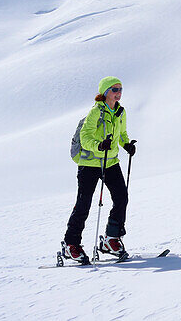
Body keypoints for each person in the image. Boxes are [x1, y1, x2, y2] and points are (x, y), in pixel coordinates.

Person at [61, 76, 137, 264]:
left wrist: (126, 144)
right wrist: (98, 146)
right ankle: (71, 245)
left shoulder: (120, 111)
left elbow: (122, 134)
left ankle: (111, 240)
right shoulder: (96, 112)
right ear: (105, 92)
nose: (118, 93)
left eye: (120, 89)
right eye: (114, 89)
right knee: (83, 204)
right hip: (90, 164)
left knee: (121, 198)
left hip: (110, 162)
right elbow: (85, 137)